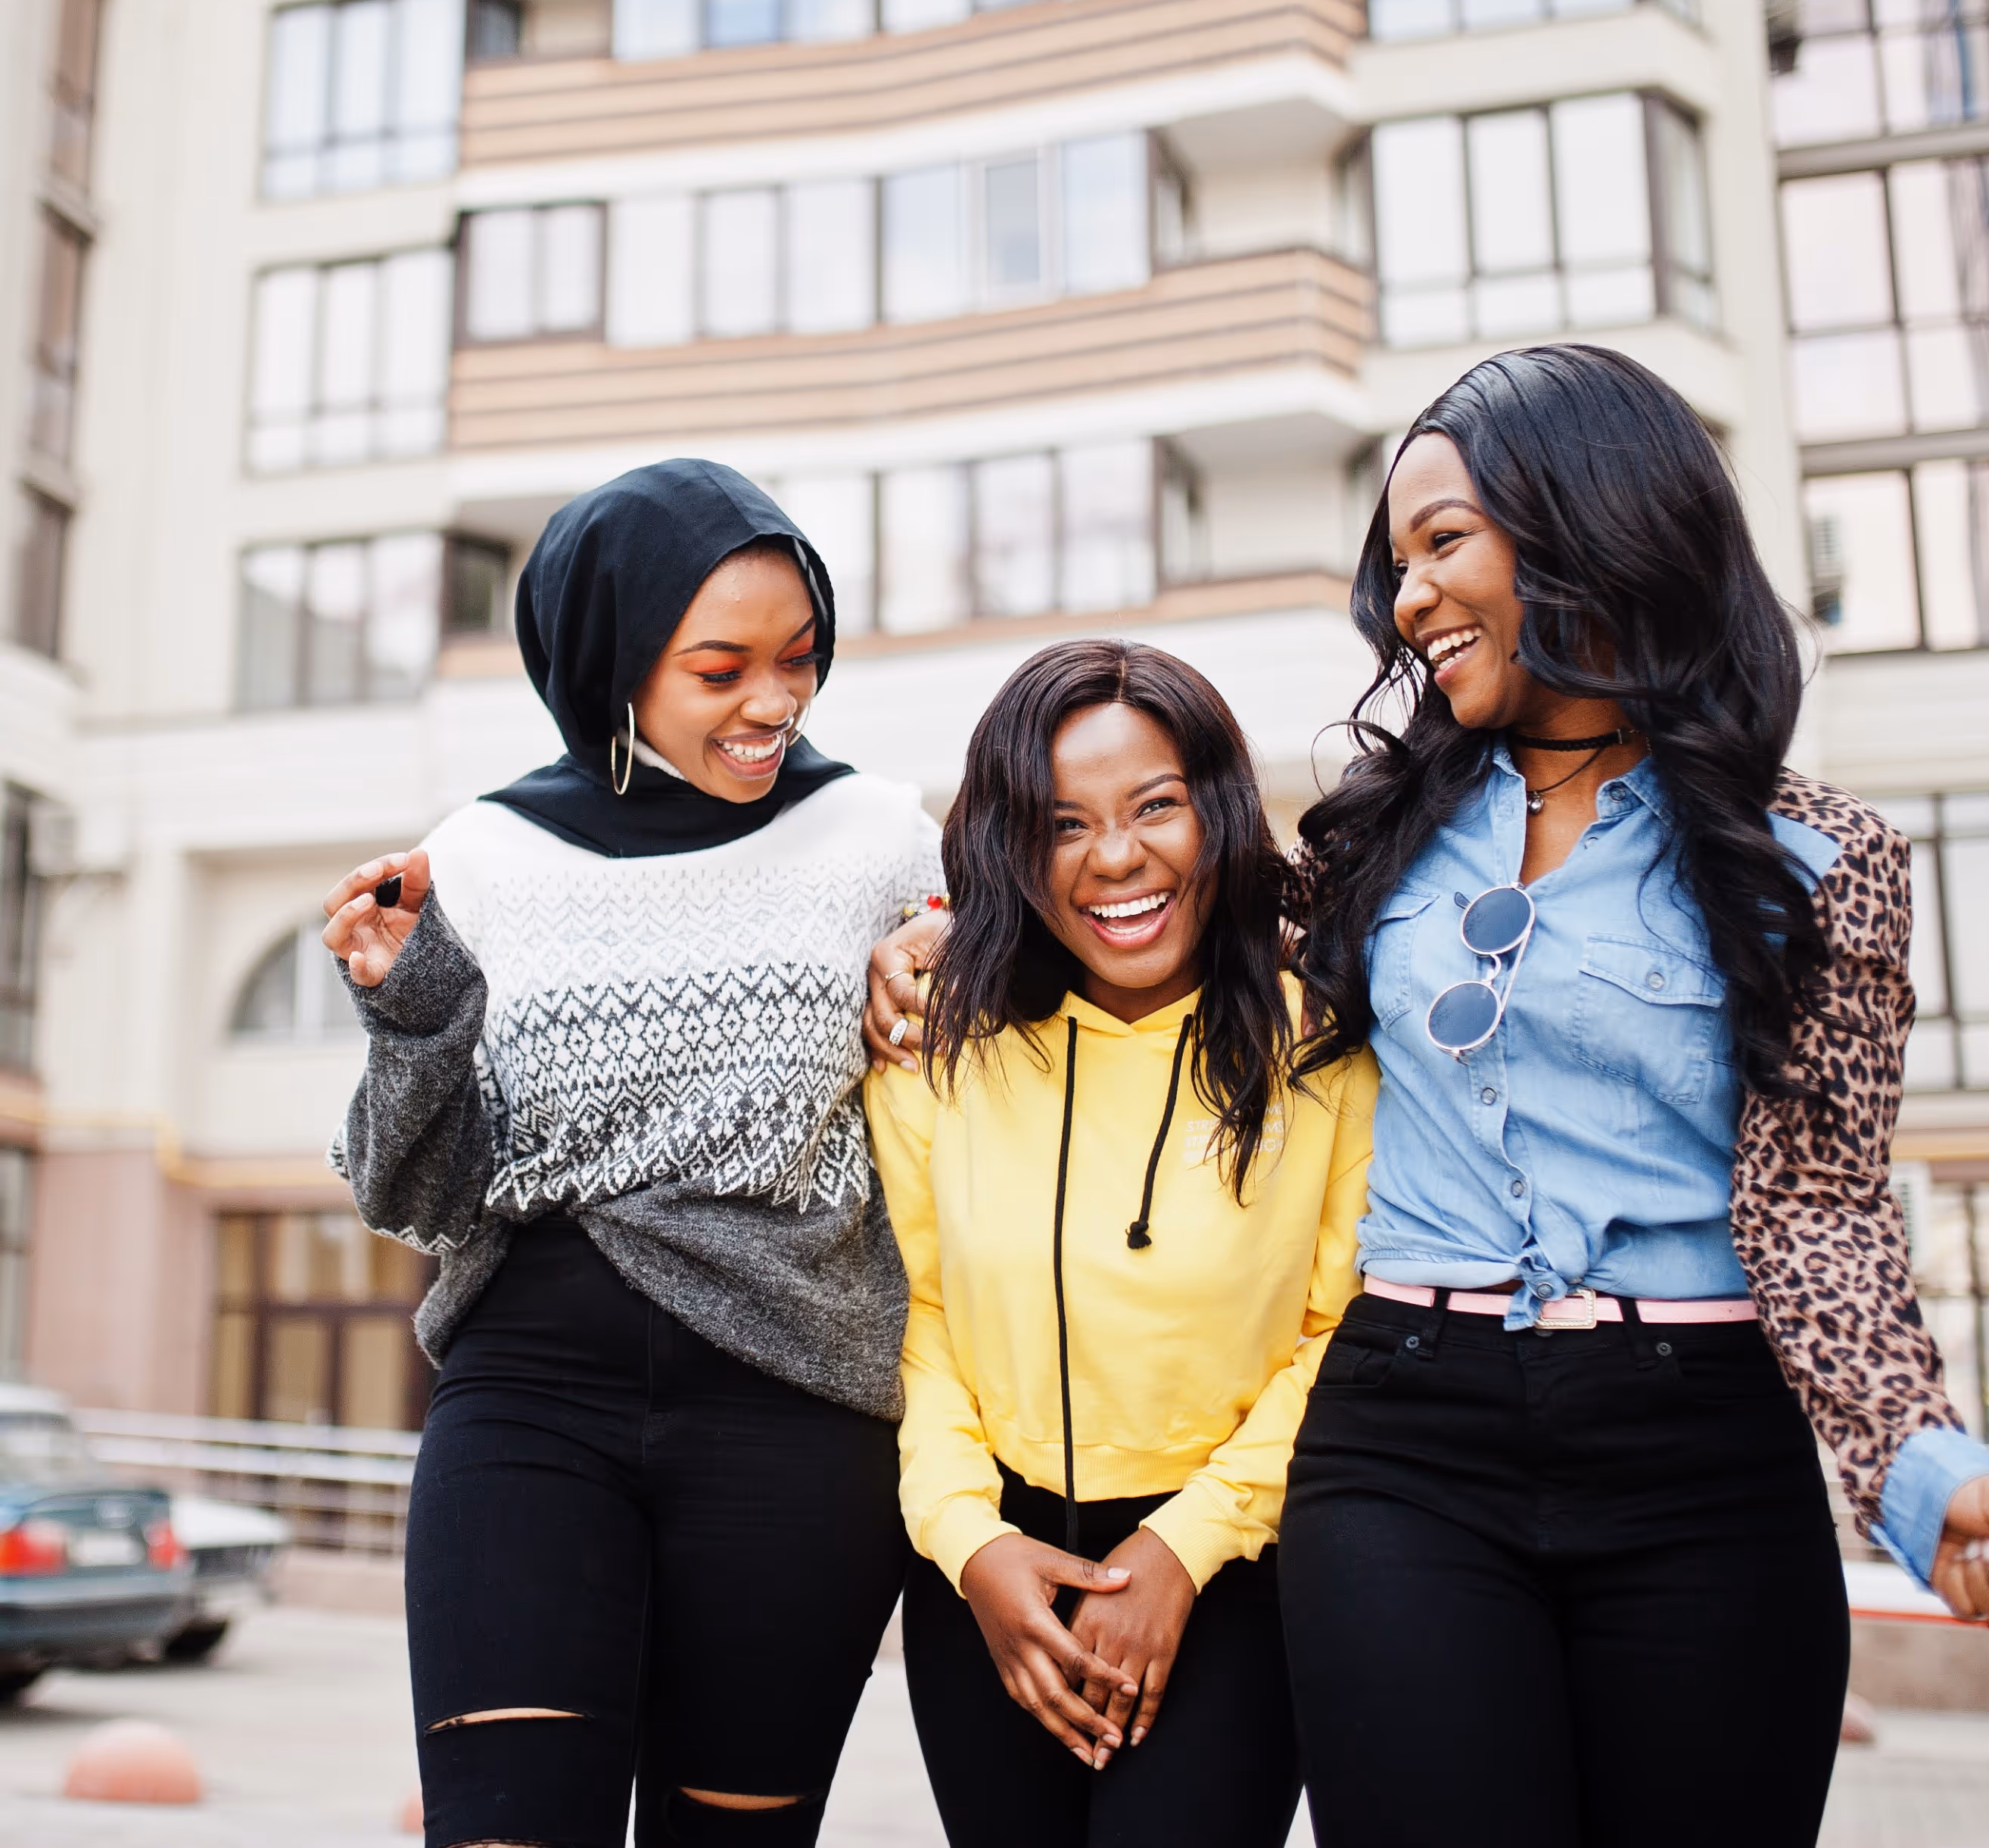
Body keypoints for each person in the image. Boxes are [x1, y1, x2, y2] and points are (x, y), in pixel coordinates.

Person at [1266, 346, 1989, 1845]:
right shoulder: (1368, 845)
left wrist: (1927, 1459)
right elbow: (1125, 934)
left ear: (1589, 518)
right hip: (1402, 1443)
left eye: (1442, 541)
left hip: (1705, 1461)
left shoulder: (1823, 866)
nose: (1407, 600)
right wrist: (940, 941)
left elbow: (1824, 1206)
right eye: (1396, 564)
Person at [322, 459, 942, 1848]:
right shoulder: (478, 858)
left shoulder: (879, 842)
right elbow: (409, 1193)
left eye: (800, 658)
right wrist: (410, 1011)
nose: (772, 702)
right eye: (720, 666)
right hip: (529, 1405)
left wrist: (956, 942)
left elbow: (990, 1050)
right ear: (612, 656)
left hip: (796, 1418)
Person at [863, 639, 1374, 1848]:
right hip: (988, 1576)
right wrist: (970, 1543)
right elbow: (917, 1316)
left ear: (1220, 811)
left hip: (1232, 1570)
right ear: (1008, 850)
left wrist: (1183, 1549)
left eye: (1155, 807)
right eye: (1061, 824)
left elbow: (1340, 1333)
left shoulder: (1324, 1044)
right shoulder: (936, 1039)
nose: (1115, 858)